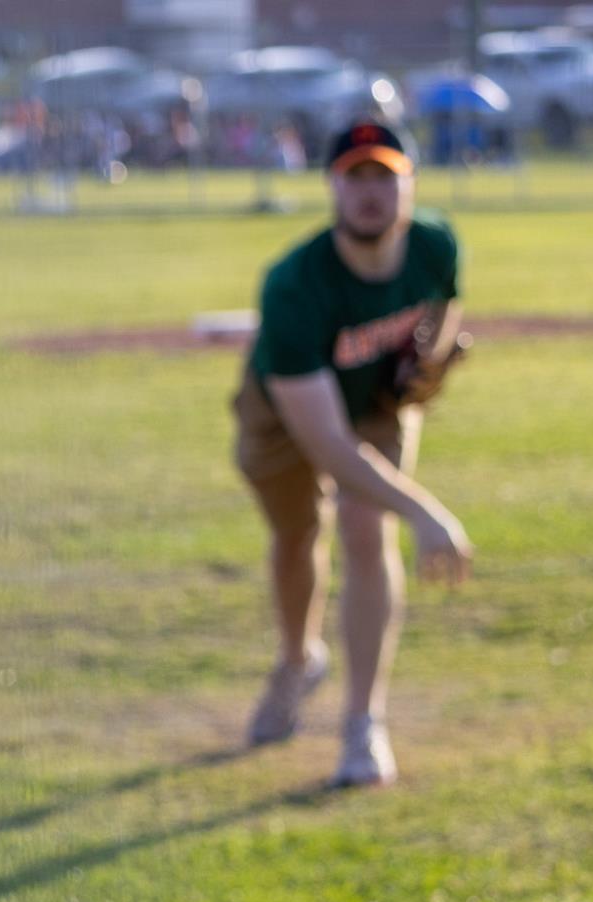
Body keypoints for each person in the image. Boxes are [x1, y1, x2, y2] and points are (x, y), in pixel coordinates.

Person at [231, 120, 473, 787]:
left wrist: (427, 361)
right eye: (355, 177)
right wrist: (428, 512)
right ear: (332, 188)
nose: (371, 193)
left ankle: (364, 721)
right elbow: (327, 445)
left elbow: (443, 310)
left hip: (375, 404)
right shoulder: (293, 285)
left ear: (410, 184)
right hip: (288, 412)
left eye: (385, 176)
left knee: (368, 530)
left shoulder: (435, 243)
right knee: (297, 537)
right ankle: (297, 659)